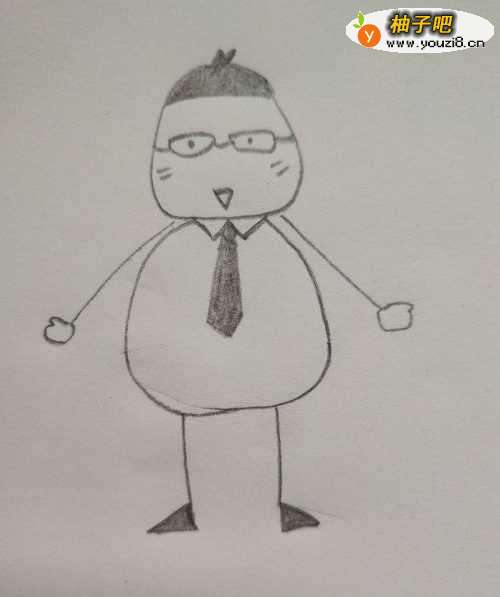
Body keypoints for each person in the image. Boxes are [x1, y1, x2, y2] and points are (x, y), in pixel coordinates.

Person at [44, 49, 413, 533]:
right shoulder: (172, 250)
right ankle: (201, 511)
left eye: (253, 143)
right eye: (190, 146)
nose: (222, 173)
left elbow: (328, 277)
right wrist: (79, 321)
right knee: (199, 416)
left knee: (258, 418)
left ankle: (266, 507)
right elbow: (119, 275)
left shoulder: (278, 247)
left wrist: (374, 308)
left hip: (269, 361)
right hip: (187, 367)